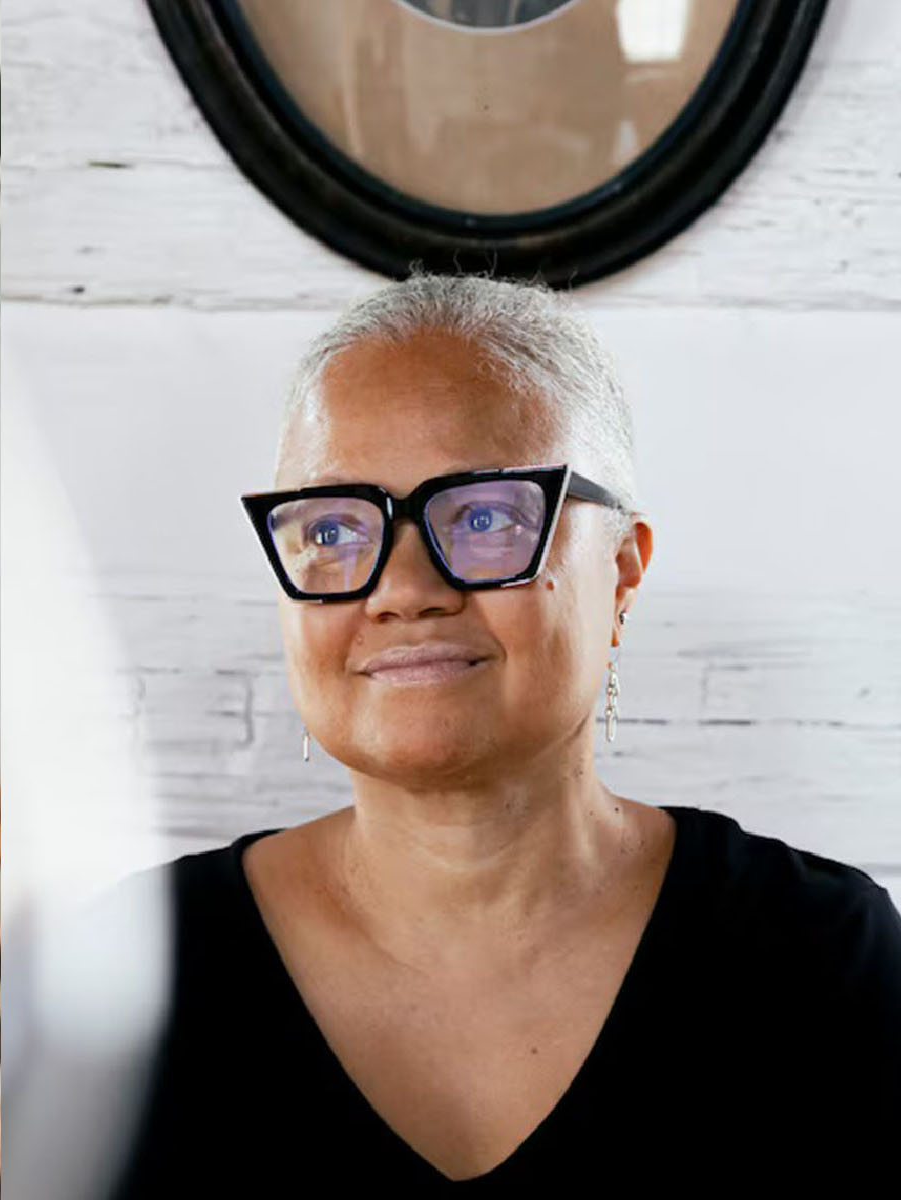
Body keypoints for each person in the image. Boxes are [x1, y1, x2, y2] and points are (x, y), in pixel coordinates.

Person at [114, 274, 901, 1192]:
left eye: (485, 517)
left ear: (623, 570)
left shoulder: (822, 957)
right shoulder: (131, 965)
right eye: (335, 525)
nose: (403, 588)